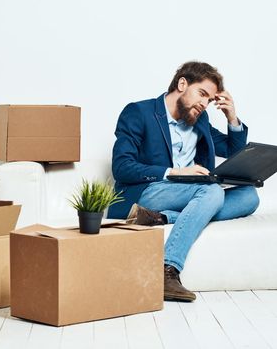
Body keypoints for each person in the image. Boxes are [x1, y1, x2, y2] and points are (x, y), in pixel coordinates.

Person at [108, 61, 260, 302]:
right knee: (211, 193)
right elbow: (121, 167)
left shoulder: (199, 122)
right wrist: (174, 172)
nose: (205, 104)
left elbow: (234, 151)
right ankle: (167, 269)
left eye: (210, 100)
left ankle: (159, 217)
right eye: (202, 94)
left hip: (190, 193)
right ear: (182, 84)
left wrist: (232, 117)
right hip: (148, 190)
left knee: (249, 196)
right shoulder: (139, 112)